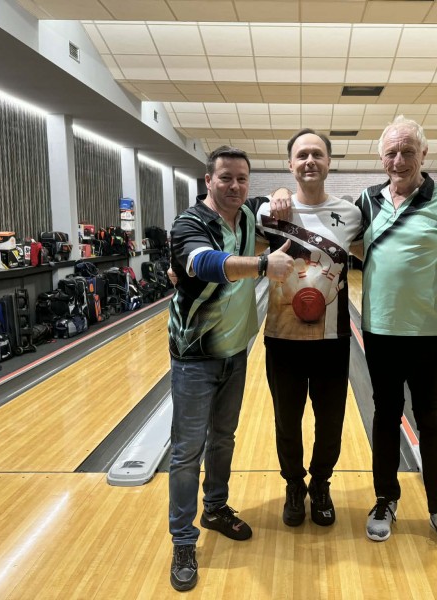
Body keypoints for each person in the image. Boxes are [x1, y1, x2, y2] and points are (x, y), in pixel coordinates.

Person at [167, 145, 294, 592]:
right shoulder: (189, 223)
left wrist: (280, 192)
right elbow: (202, 263)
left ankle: (215, 508)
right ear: (208, 180)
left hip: (235, 352)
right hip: (194, 357)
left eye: (242, 178)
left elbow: (275, 201)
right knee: (187, 451)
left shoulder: (248, 215)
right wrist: (263, 264)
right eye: (225, 178)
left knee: (223, 439)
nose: (235, 186)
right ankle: (183, 541)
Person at [355, 116, 437, 558]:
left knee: (431, 421)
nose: (399, 160)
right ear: (381, 158)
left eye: (408, 151)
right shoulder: (367, 201)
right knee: (385, 417)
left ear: (424, 154)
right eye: (391, 152)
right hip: (378, 334)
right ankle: (385, 499)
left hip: (426, 336)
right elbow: (338, 239)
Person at [256, 129, 362, 528]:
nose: (309, 161)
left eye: (317, 154)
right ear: (290, 164)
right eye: (302, 155)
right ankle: (293, 485)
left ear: (329, 162)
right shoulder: (269, 212)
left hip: (332, 341)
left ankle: (320, 484)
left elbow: (380, 251)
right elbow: (231, 232)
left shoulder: (351, 214)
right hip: (282, 339)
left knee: (330, 422)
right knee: (287, 422)